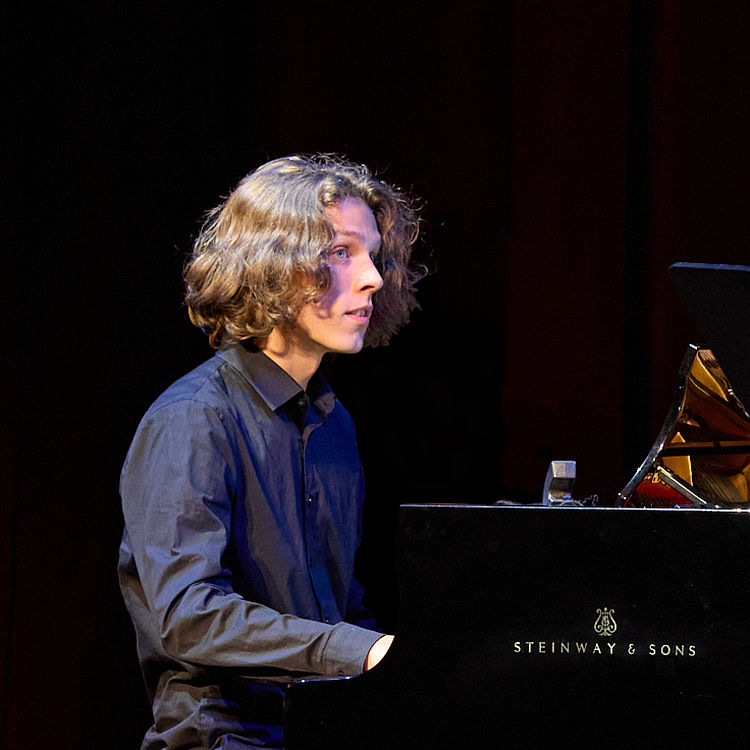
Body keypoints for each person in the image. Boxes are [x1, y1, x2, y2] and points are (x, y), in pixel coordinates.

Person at [118, 154, 422, 749]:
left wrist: (411, 672)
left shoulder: (335, 425)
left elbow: (340, 606)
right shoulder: (194, 418)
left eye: (371, 254)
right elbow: (189, 615)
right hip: (224, 737)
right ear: (273, 267)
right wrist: (361, 652)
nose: (373, 278)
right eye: (340, 253)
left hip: (322, 729)